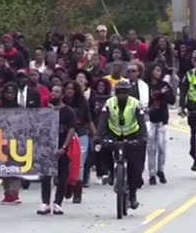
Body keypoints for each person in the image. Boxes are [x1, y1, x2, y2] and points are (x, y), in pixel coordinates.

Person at [95, 81, 148, 209]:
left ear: (128, 93)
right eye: (119, 93)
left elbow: (141, 123)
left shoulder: (135, 104)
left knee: (135, 166)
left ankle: (133, 195)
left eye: (125, 93)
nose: (122, 95)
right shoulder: (109, 103)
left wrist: (143, 137)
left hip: (133, 135)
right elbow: (102, 121)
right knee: (102, 148)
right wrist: (98, 136)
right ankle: (112, 173)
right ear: (115, 93)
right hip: (114, 134)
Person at [37, 84, 76, 215]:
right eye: (52, 91)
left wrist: (64, 147)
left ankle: (58, 203)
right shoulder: (45, 111)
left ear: (62, 94)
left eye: (57, 92)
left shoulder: (68, 111)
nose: (54, 94)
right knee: (46, 176)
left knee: (63, 176)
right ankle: (45, 203)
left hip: (62, 149)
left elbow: (71, 129)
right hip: (47, 148)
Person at [62, 81, 96, 203]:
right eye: (67, 89)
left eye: (72, 89)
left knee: (79, 164)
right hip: (64, 136)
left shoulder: (83, 103)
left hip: (81, 134)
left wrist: (96, 136)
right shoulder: (61, 104)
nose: (69, 91)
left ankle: (77, 192)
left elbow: (89, 120)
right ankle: (68, 186)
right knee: (66, 164)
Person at [0, 82, 24, 204]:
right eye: (7, 92)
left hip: (16, 141)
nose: (9, 95)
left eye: (12, 93)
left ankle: (14, 193)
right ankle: (7, 192)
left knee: (15, 166)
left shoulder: (20, 108)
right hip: (1, 140)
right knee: (4, 167)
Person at [145, 64, 175, 185]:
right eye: (156, 70)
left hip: (162, 119)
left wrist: (165, 94)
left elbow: (172, 100)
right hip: (150, 119)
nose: (158, 72)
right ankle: (152, 173)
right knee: (151, 147)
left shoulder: (165, 85)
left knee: (162, 146)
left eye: (160, 71)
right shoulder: (146, 86)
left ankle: (160, 170)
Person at [90, 79, 112, 182]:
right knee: (96, 150)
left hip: (108, 127)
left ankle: (106, 172)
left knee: (106, 150)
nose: (100, 87)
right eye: (99, 85)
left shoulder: (110, 99)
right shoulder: (93, 98)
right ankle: (99, 172)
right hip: (96, 126)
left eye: (103, 85)